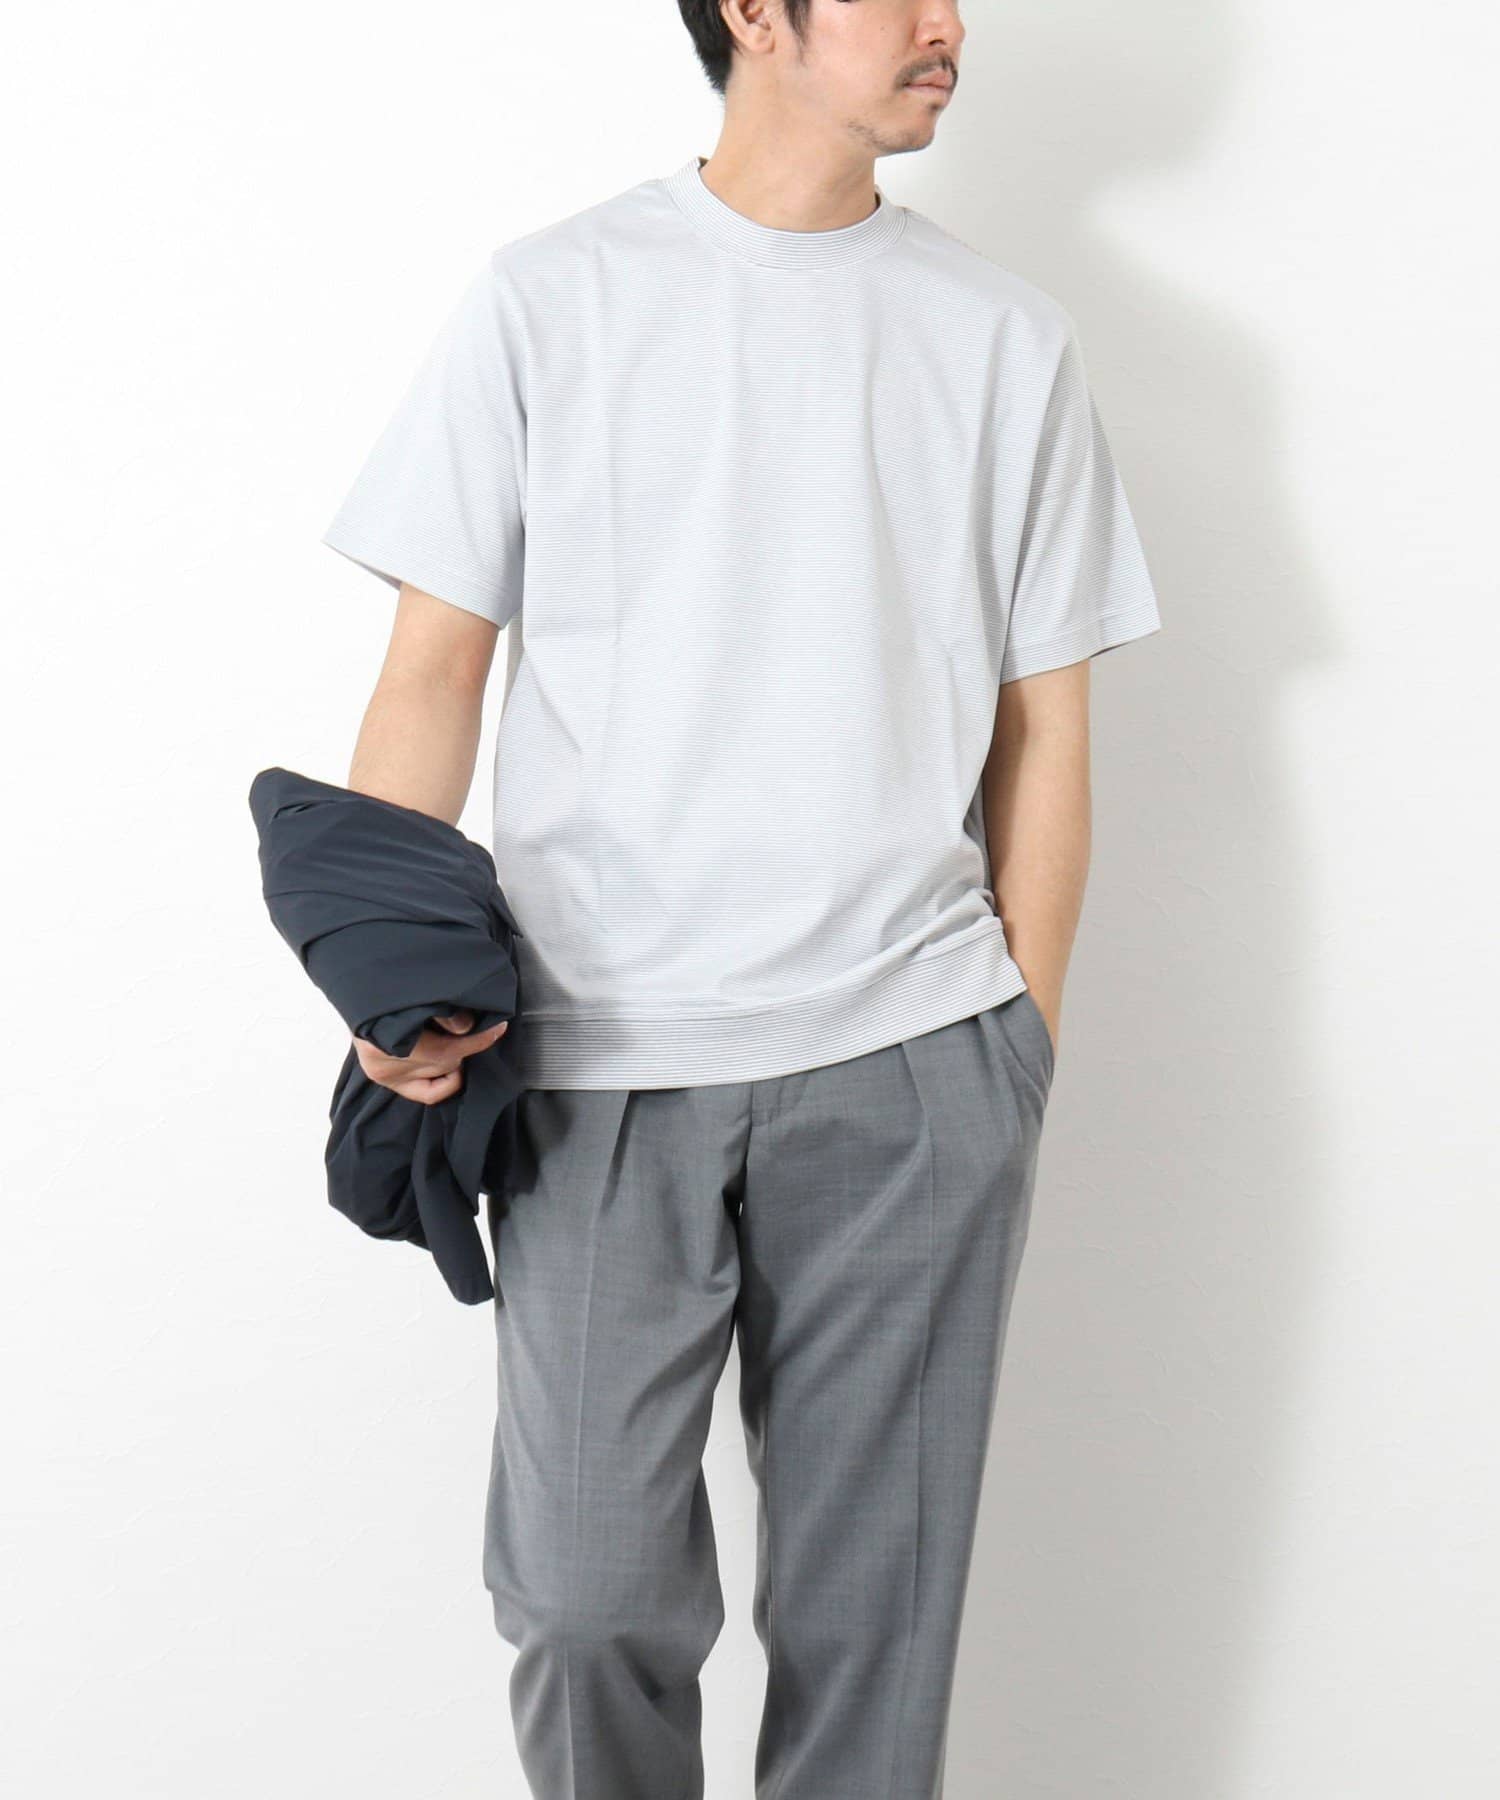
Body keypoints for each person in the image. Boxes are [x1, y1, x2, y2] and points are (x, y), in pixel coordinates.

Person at [320, 1, 1161, 1792]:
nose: (946, 25)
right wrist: (385, 973)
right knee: (583, 1602)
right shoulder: (553, 297)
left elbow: (1048, 731)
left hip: (915, 1064)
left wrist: (1019, 1048)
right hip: (592, 1060)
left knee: (874, 1633)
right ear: (755, 14)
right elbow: (432, 675)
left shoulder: (1003, 338)